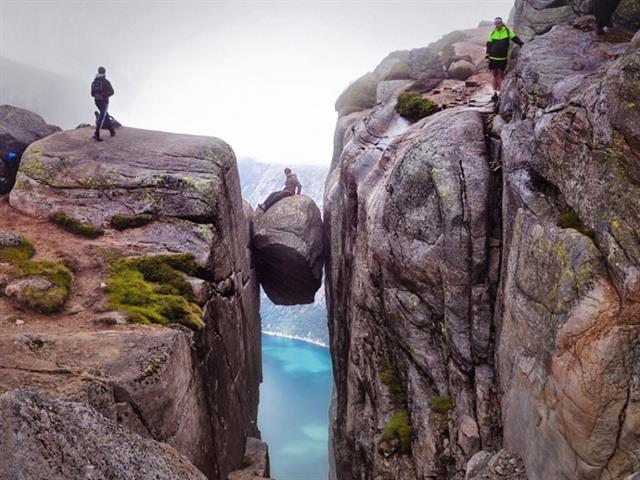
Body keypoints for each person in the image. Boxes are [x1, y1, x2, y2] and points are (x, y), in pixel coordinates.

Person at [486, 17, 524, 100]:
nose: (497, 25)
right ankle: (494, 93)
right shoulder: (492, 33)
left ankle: (499, 93)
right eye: (496, 23)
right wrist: (487, 56)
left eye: (498, 23)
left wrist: (521, 44)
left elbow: (515, 38)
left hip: (502, 58)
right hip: (493, 58)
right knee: (494, 75)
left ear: (501, 23)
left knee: (500, 75)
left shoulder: (507, 32)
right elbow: (488, 45)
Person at [91, 66, 115, 142]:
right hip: (104, 102)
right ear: (104, 72)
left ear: (98, 72)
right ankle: (96, 134)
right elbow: (112, 92)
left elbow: (92, 93)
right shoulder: (106, 82)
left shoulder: (94, 82)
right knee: (102, 116)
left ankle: (112, 131)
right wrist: (104, 94)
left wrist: (98, 95)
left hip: (97, 101)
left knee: (104, 114)